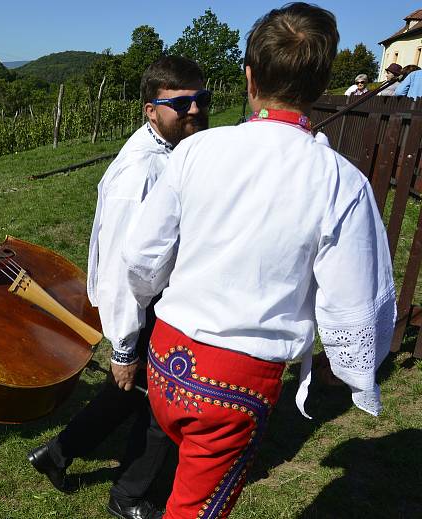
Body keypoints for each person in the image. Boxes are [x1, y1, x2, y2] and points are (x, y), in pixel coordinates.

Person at [119, 4, 395, 519]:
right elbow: (354, 301)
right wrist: (350, 367)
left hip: (166, 357)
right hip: (234, 384)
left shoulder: (196, 152)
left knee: (186, 487)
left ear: (249, 76)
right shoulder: (338, 181)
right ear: (319, 82)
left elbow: (140, 257)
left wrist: (139, 309)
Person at [28, 56, 210, 519]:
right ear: (150, 109)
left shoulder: (170, 151)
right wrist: (125, 346)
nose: (194, 110)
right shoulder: (142, 172)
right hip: (144, 305)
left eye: (201, 99)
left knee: (125, 394)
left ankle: (57, 454)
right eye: (181, 102)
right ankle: (129, 495)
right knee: (161, 407)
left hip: (155, 300)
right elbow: (121, 268)